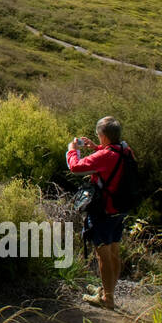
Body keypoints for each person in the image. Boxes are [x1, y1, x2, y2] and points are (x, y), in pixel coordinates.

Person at [66, 115, 134, 310]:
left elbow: (75, 167)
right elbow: (110, 161)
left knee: (102, 254)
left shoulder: (106, 156)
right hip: (120, 209)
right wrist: (96, 147)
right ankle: (107, 292)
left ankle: (108, 299)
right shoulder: (125, 150)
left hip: (104, 210)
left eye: (98, 135)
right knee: (114, 251)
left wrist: (72, 151)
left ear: (104, 136)